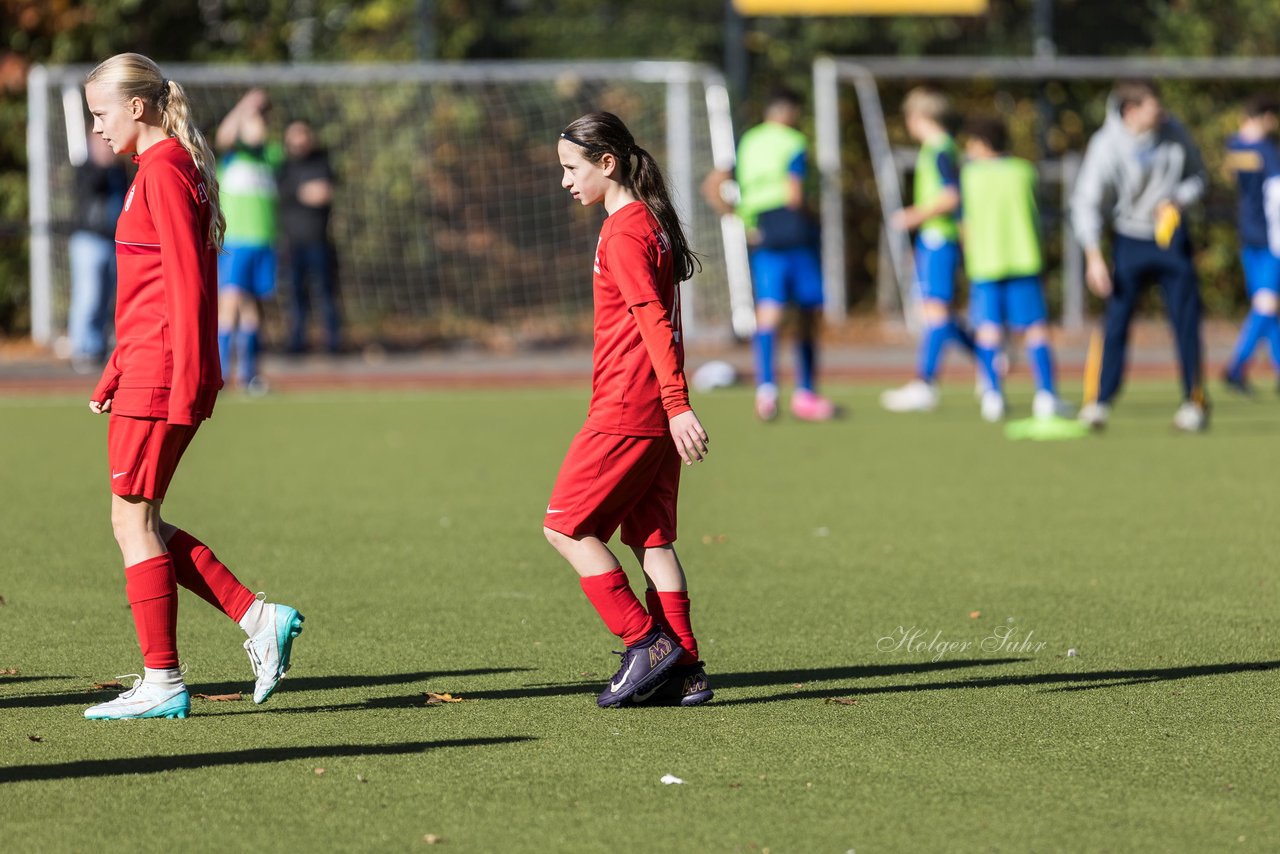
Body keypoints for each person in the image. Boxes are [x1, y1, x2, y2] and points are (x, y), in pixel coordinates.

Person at [81, 53, 303, 720]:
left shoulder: (164, 170)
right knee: (137, 518)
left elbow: (185, 285)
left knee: (132, 520)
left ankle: (163, 681)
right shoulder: (158, 168)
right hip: (146, 367)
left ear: (138, 107)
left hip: (163, 373)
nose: (96, 128)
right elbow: (150, 290)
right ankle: (256, 617)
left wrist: (184, 380)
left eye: (101, 113)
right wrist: (116, 368)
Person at [544, 111, 713, 708]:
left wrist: (676, 404)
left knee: (564, 527)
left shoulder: (622, 231)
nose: (565, 180)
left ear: (606, 163)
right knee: (652, 539)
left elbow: (651, 318)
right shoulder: (648, 221)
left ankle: (648, 643)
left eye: (572, 168)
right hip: (653, 410)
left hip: (628, 406)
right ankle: (687, 669)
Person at [1072, 79, 1210, 432]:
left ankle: (1193, 401)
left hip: (1171, 238)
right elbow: (1087, 201)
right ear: (1131, 110)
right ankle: (1099, 401)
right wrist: (1093, 256)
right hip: (1129, 240)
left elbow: (1198, 176)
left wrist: (1179, 198)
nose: (1160, 113)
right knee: (1115, 322)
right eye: (1153, 107)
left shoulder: (1174, 131)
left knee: (1186, 321)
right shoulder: (1105, 145)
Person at [704, 88, 837, 421]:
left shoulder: (749, 140)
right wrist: (814, 216)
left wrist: (736, 214)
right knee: (807, 312)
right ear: (790, 112)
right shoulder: (793, 142)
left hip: (762, 231)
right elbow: (794, 194)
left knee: (769, 312)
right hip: (793, 228)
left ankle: (766, 391)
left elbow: (713, 183)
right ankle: (805, 393)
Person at [959, 116, 1064, 422]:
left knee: (988, 330)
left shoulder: (970, 175)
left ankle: (992, 395)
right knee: (1036, 329)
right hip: (1024, 258)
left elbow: (966, 223)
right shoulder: (1025, 171)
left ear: (981, 144)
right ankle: (1046, 395)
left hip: (986, 263)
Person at [881, 87, 978, 414]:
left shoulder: (939, 149)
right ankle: (990, 358)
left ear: (918, 117)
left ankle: (926, 383)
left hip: (940, 239)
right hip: (934, 240)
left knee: (935, 314)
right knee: (940, 314)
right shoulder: (940, 148)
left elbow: (952, 197)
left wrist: (914, 216)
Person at [215, 89, 283, 393]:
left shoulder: (270, 156)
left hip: (263, 242)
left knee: (253, 308)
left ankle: (249, 374)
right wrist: (245, 105)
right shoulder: (232, 155)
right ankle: (217, 374)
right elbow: (224, 134)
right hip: (236, 242)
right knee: (228, 304)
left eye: (261, 122)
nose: (257, 128)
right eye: (251, 123)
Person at [1222, 95, 1280, 394]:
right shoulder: (1267, 151)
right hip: (1271, 238)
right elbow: (1277, 195)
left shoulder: (1233, 146)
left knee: (1266, 304)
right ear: (1265, 117)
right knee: (1266, 304)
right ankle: (1235, 367)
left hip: (1247, 234)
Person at [279, 119, 342, 354]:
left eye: (302, 134)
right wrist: (303, 192)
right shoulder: (283, 166)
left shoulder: (321, 161)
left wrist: (312, 192)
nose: (299, 140)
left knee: (325, 292)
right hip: (292, 243)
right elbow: (289, 192)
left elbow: (325, 192)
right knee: (295, 294)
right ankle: (296, 342)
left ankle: (333, 343)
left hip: (319, 241)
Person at [67, 131, 128, 371]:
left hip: (113, 241)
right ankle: (82, 349)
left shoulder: (119, 171)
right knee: (88, 296)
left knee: (107, 298)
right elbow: (91, 188)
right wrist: (102, 165)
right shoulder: (86, 168)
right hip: (88, 240)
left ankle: (98, 348)